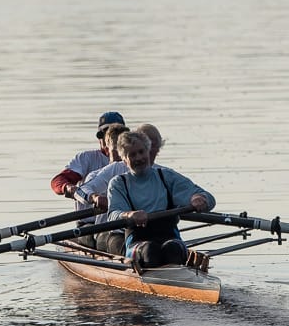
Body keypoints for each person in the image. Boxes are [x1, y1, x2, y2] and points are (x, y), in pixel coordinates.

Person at [106, 129, 214, 273]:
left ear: (148, 151)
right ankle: (161, 281)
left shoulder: (166, 177)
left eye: (141, 152)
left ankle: (175, 281)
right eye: (132, 154)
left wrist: (199, 199)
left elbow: (208, 198)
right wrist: (129, 215)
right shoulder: (119, 183)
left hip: (170, 237)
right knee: (150, 251)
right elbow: (113, 215)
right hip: (137, 241)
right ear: (124, 160)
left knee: (173, 249)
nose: (139, 158)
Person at [77, 122, 163, 255]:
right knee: (146, 251)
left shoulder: (164, 174)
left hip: (150, 233)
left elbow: (190, 193)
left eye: (154, 148)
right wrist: (95, 198)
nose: (145, 156)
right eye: (145, 148)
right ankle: (137, 258)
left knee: (170, 248)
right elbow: (81, 190)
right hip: (112, 231)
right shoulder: (115, 170)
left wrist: (195, 199)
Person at [51, 112, 125, 209]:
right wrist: (68, 188)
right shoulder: (86, 158)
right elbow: (58, 181)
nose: (110, 138)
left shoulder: (133, 159)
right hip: (89, 217)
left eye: (116, 134)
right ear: (100, 137)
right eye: (106, 133)